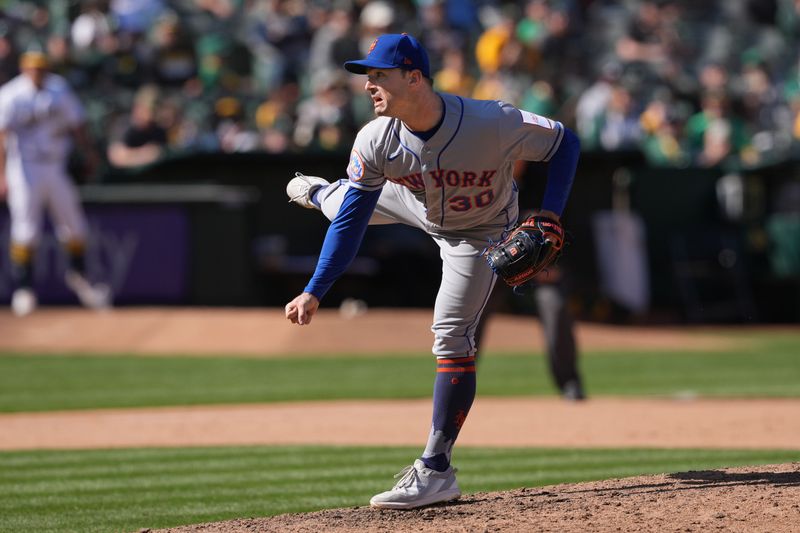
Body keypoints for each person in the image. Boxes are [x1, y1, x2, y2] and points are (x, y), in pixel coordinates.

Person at [284, 33, 579, 509]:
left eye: (380, 76)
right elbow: (354, 227)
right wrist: (315, 289)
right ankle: (321, 193)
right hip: (418, 202)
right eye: (368, 77)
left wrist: (552, 211)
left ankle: (436, 469)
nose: (368, 86)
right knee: (344, 206)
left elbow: (565, 142)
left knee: (450, 334)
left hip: (479, 232)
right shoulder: (376, 139)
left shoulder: (491, 121)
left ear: (414, 78)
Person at [0, 50, 109, 316]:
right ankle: (24, 290)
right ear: (24, 69)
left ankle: (80, 276)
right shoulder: (11, 94)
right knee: (26, 228)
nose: (37, 72)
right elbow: (1, 136)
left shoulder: (59, 88)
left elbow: (78, 124)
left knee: (74, 224)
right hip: (24, 167)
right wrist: (1, 174)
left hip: (55, 166)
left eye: (41, 67)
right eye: (32, 68)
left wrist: (89, 153)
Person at [473, 266, 586, 401]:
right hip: (495, 265)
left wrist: (553, 263)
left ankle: (569, 382)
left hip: (536, 264)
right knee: (472, 312)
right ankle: (458, 381)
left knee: (554, 305)